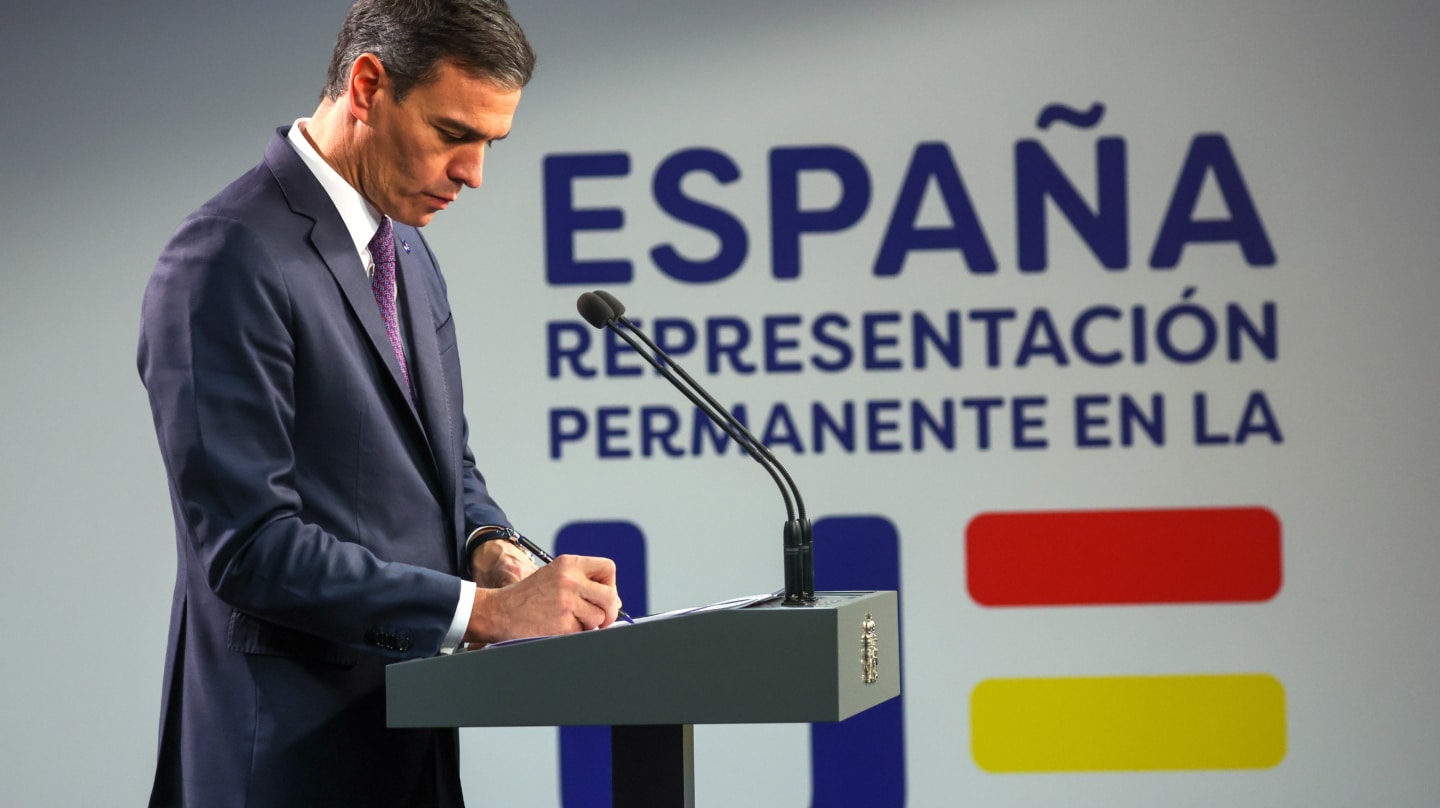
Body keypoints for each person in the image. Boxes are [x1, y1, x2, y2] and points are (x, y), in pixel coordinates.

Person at [136, 2, 622, 805]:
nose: (473, 173)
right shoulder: (224, 257)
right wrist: (485, 614)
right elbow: (250, 548)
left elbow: (445, 465)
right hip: (287, 763)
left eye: (490, 144)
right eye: (454, 134)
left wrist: (487, 543)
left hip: (410, 745)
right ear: (367, 85)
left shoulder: (407, 250)